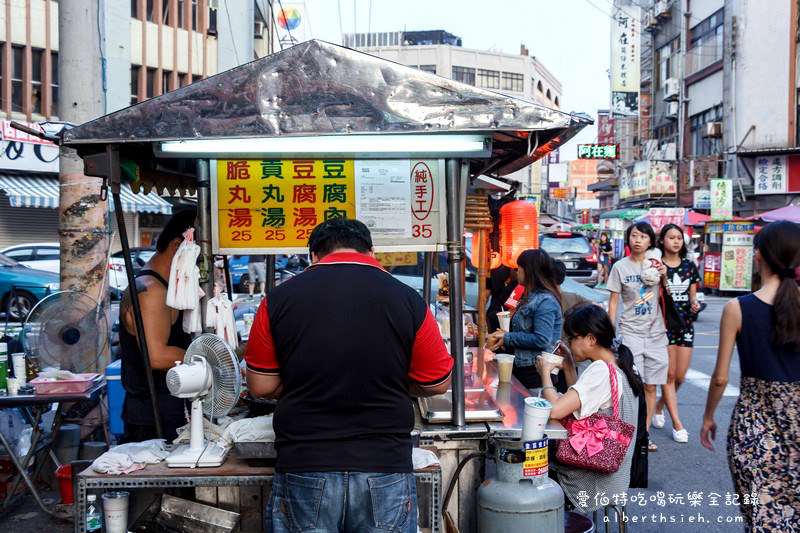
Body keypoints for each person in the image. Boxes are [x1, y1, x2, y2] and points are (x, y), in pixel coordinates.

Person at [245, 218, 453, 533]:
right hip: (384, 467)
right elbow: (437, 382)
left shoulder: (277, 300)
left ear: (314, 256)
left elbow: (261, 385)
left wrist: (304, 380)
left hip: (306, 463)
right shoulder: (408, 300)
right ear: (371, 251)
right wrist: (392, 379)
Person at [701, 221, 800, 531]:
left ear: (759, 256)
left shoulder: (737, 308)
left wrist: (707, 418)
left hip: (753, 427)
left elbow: (719, 378)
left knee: (760, 517)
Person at [537, 304, 643, 513]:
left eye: (573, 338)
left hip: (592, 476)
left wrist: (545, 372)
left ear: (591, 339)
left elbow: (556, 410)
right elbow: (578, 400)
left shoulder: (601, 370)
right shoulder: (618, 362)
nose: (570, 343)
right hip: (614, 473)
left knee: (531, 469)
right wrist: (569, 366)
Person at [118, 209, 196, 443]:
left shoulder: (163, 287)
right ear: (177, 246)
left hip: (167, 409)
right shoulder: (151, 290)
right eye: (196, 256)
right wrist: (207, 359)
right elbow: (157, 356)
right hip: (153, 417)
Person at [607, 221, 668, 452]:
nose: (638, 240)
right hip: (631, 332)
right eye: (634, 235)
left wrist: (665, 276)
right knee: (636, 387)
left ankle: (644, 435)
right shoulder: (619, 267)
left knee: (652, 387)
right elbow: (613, 303)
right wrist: (611, 335)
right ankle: (630, 434)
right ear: (628, 239)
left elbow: (669, 297)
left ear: (650, 241)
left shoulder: (657, 265)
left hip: (656, 335)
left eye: (643, 236)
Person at [652, 224, 701, 443]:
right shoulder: (655, 265)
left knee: (680, 376)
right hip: (663, 325)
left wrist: (694, 303)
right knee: (669, 375)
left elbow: (693, 295)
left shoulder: (690, 266)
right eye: (671, 237)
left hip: (685, 324)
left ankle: (660, 405)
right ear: (662, 240)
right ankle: (678, 424)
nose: (676, 241)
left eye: (679, 238)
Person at [487, 249, 562, 391]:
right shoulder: (528, 296)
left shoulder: (545, 301)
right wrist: (505, 339)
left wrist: (508, 337)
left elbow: (542, 339)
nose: (516, 271)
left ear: (528, 271)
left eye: (519, 267)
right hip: (523, 367)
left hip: (537, 373)